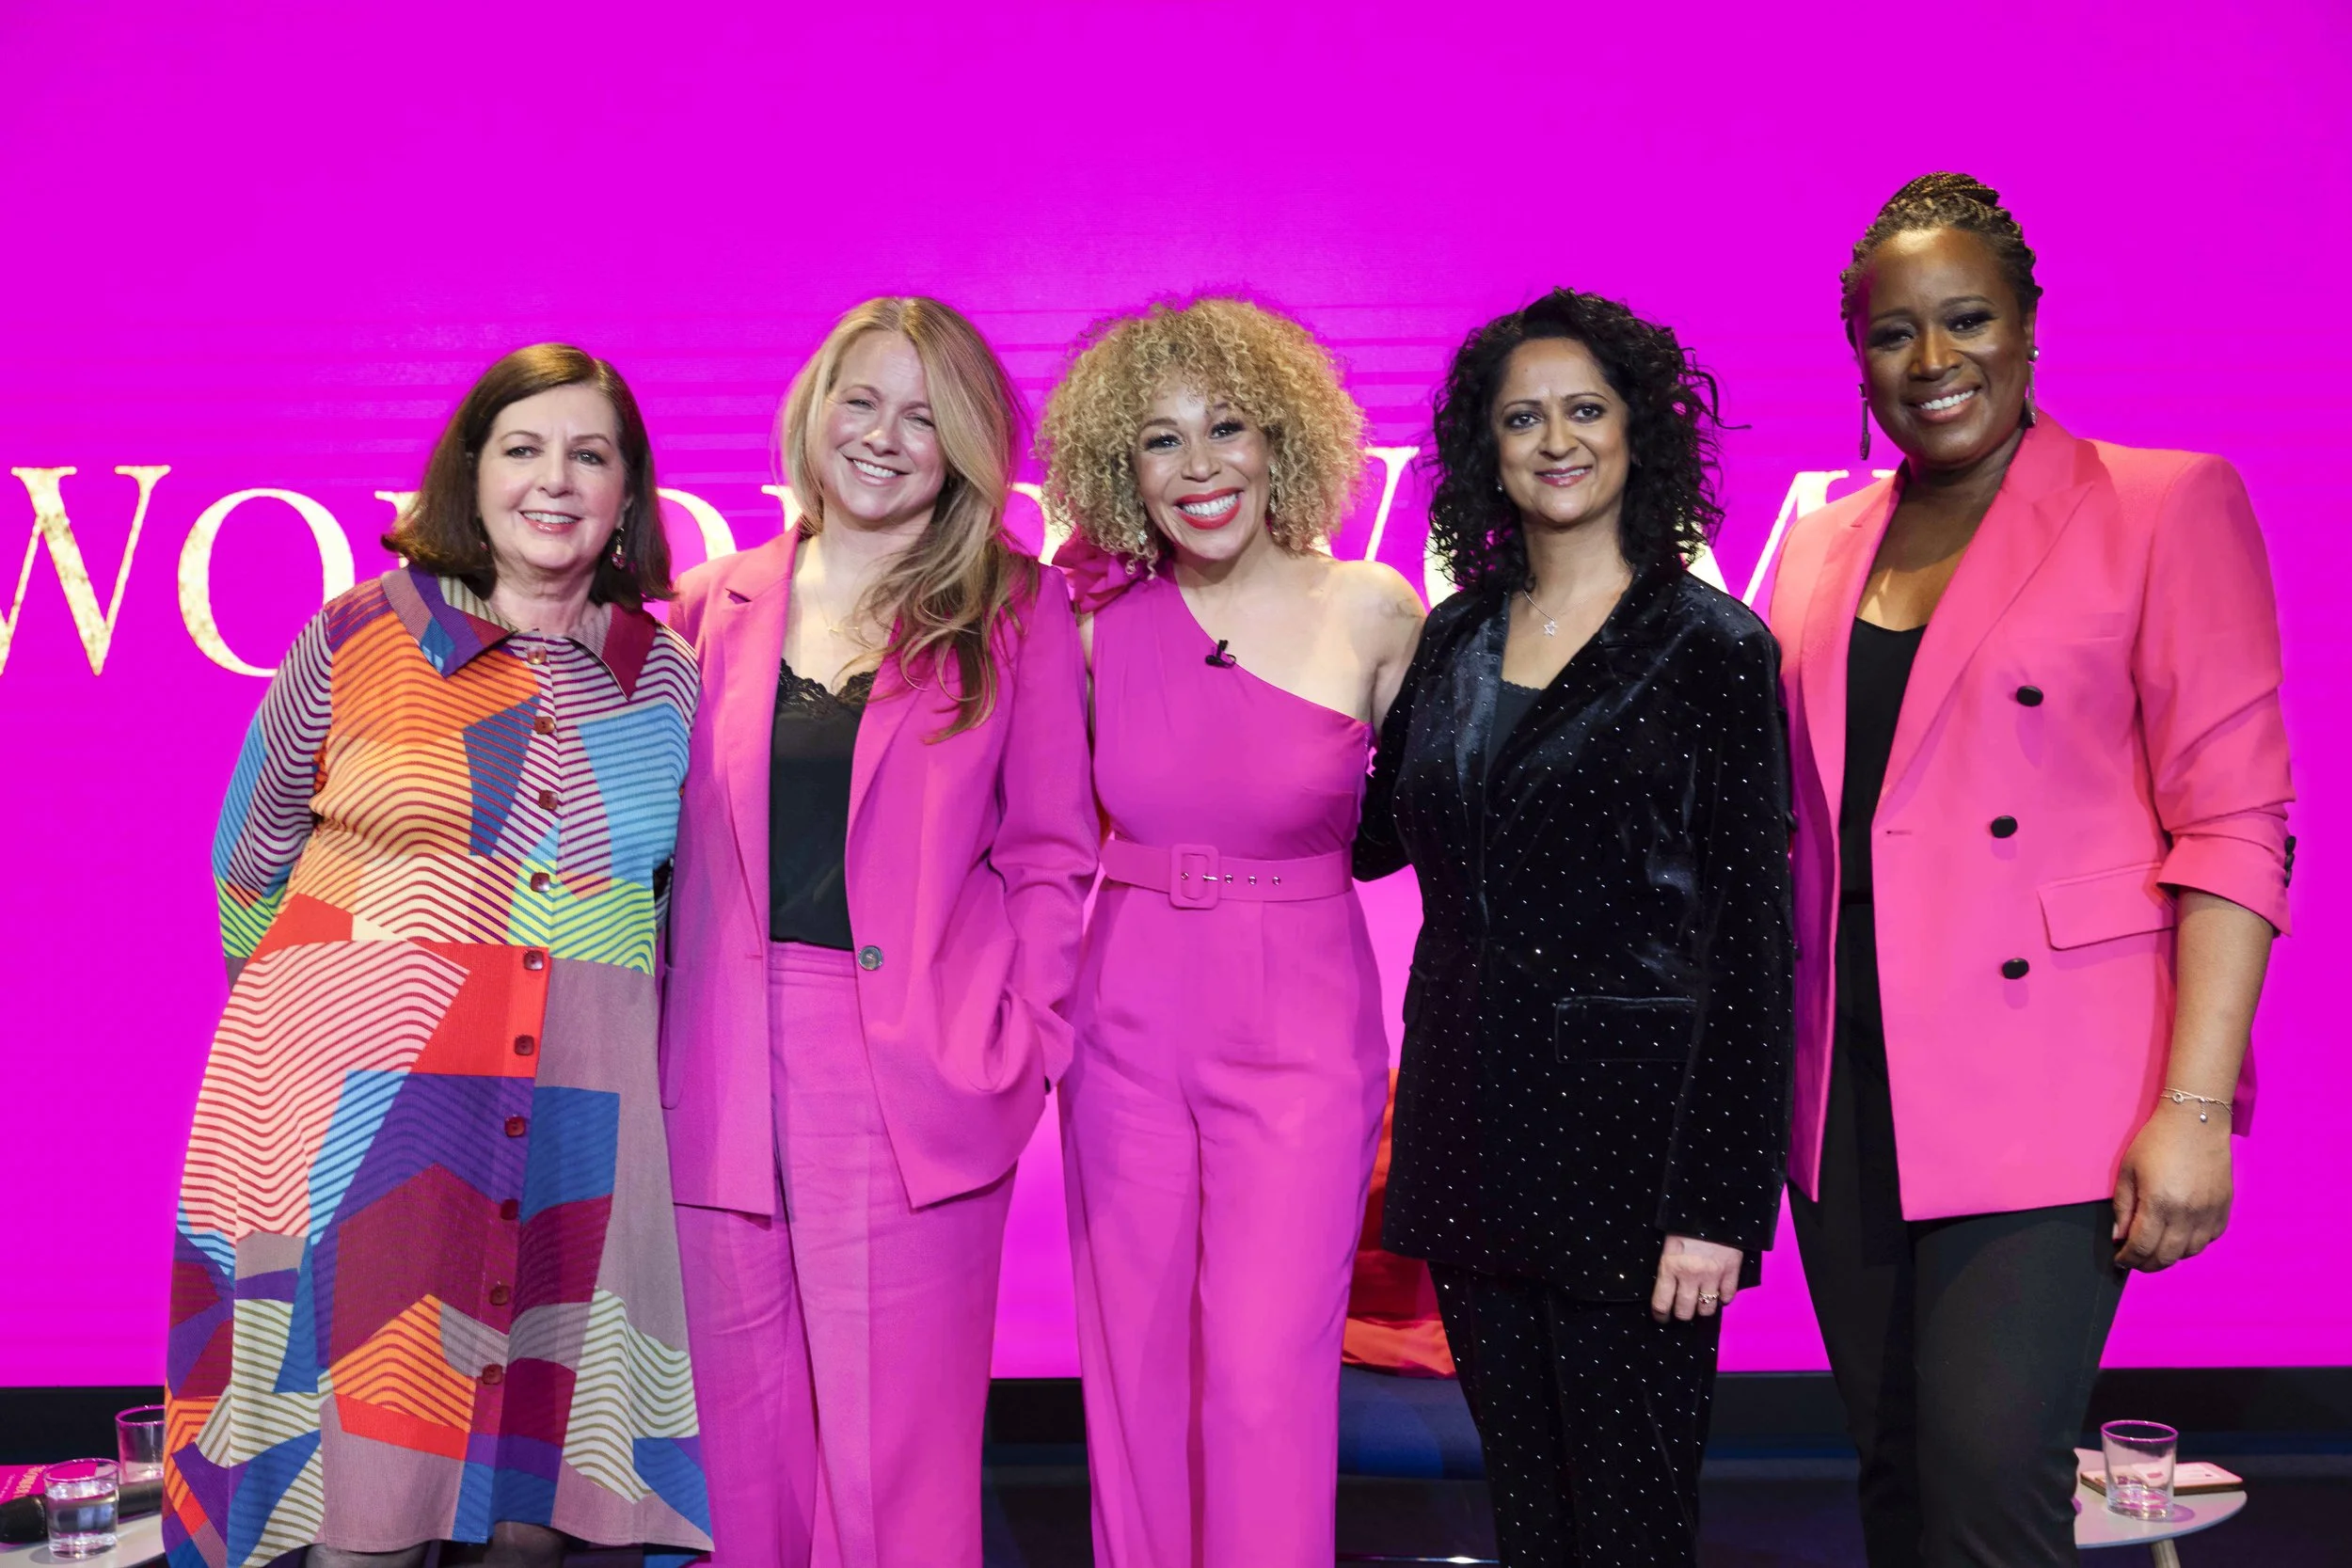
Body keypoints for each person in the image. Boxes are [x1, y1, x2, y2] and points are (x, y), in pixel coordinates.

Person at [1764, 173, 2294, 1568]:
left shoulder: (2163, 505)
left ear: (2030, 323)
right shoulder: (1817, 551)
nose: (1934, 364)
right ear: (1857, 353)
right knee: (1896, 1485)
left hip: (2052, 1083)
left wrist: (2192, 1104)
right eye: (1894, 334)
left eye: (1969, 320)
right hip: (1846, 1091)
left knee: (1996, 1493)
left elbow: (2236, 824)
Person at [168, 345, 711, 1568]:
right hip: (363, 1134)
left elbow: (664, 909)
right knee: (367, 1520)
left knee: (536, 1526)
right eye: (523, 448)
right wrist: (322, 1050)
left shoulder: (667, 677)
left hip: (577, 1127)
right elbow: (247, 861)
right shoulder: (359, 635)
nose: (556, 480)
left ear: (630, 492)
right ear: (472, 476)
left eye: (591, 452)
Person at [1355, 289, 1793, 1568]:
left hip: (1637, 1166)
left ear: (1639, 433)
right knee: (1532, 1520)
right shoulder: (1451, 635)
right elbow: (1372, 831)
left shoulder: (1712, 647)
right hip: (1468, 1135)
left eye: (1584, 410)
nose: (1556, 438)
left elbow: (1755, 943)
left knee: (1630, 1528)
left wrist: (1719, 1205)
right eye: (1522, 416)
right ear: (1484, 449)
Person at [660, 296, 1095, 1568]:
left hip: (916, 1064)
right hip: (719, 1066)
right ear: (815, 405)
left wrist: (1021, 1040)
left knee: (896, 1466)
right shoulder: (706, 603)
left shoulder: (1013, 608)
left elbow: (1052, 854)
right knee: (737, 1466)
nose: (887, 436)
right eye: (865, 398)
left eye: (927, 414)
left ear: (965, 445)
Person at [1037, 296, 1423, 1568]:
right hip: (1126, 1021)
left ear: (1287, 439)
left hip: (1305, 1030)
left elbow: (1455, 824)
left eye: (1229, 426)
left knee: (1265, 1373)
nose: (1200, 466)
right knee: (1135, 1370)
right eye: (1161, 439)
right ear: (1117, 466)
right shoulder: (1086, 634)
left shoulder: (1374, 610)